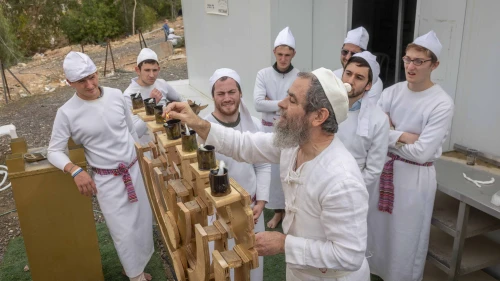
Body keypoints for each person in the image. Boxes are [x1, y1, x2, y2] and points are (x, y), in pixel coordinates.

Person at [165, 67, 370, 281]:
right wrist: (197, 122)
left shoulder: (342, 180)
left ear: (319, 116)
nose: (280, 104)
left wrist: (284, 244)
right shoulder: (293, 145)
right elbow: (244, 144)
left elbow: (349, 256)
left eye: (291, 100)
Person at [47, 52, 154, 281]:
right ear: (69, 83)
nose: (90, 85)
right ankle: (135, 277)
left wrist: (144, 156)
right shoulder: (66, 112)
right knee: (122, 231)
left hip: (135, 169)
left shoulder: (116, 96)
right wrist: (75, 170)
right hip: (108, 179)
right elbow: (53, 151)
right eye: (81, 81)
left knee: (142, 223)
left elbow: (130, 131)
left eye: (92, 77)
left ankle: (133, 268)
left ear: (97, 73)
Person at [370, 31, 454, 281]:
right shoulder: (392, 92)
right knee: (377, 229)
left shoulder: (441, 103)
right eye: (408, 59)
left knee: (406, 236)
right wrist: (404, 136)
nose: (411, 66)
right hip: (383, 170)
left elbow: (422, 153)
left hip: (414, 178)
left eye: (419, 61)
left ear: (434, 65)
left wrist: (391, 132)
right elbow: (374, 134)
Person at [204, 68, 271, 280]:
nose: (227, 98)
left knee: (252, 264)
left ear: (240, 94)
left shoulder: (255, 125)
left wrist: (261, 200)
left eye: (231, 92)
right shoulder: (202, 130)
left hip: (251, 210)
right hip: (217, 214)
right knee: (224, 265)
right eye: (220, 93)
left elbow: (262, 165)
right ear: (213, 96)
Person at [253, 26, 299, 228]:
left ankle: (287, 211)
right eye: (280, 54)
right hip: (267, 131)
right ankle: (275, 210)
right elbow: (257, 103)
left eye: (287, 55)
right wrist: (284, 102)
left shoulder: (300, 76)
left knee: (287, 172)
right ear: (274, 53)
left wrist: (271, 101)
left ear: (293, 54)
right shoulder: (263, 74)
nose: (283, 59)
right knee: (269, 172)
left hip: (289, 132)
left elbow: (300, 104)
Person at [336, 51, 389, 205]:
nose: (350, 81)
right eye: (348, 73)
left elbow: (373, 169)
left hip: (352, 191)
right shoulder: (324, 108)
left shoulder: (378, 120)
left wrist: (348, 190)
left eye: (359, 77)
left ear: (369, 85)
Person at [123, 48, 184, 144]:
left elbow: (180, 100)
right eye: (147, 70)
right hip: (148, 146)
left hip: (168, 138)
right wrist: (150, 105)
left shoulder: (162, 84)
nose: (152, 75)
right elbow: (135, 132)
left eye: (154, 70)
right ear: (137, 70)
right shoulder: (129, 95)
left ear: (159, 69)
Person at [333, 27, 383, 103]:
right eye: (345, 52)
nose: (348, 57)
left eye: (353, 54)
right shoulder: (333, 75)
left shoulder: (374, 83)